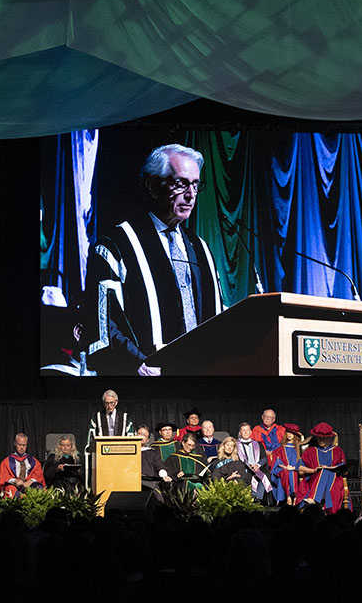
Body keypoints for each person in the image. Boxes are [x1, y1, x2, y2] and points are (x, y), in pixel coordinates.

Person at [81, 143, 224, 376]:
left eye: (196, 185)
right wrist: (137, 363)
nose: (190, 195)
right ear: (152, 185)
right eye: (181, 184)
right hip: (145, 376)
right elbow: (103, 322)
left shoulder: (201, 249)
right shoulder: (116, 245)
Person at [297, 423, 348, 513]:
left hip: (334, 480)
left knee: (326, 471)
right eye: (319, 437)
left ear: (329, 438)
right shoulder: (310, 451)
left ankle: (314, 499)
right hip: (314, 480)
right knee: (323, 471)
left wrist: (331, 468)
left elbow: (343, 467)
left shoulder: (337, 450)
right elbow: (300, 467)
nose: (321, 440)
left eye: (323, 438)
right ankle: (320, 503)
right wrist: (314, 470)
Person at [236, 421, 275, 503]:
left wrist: (258, 465)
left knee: (264, 476)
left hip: (258, 467)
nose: (246, 432)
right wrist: (247, 465)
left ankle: (258, 498)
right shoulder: (236, 445)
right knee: (248, 476)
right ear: (240, 432)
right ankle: (253, 498)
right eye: (243, 430)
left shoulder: (258, 444)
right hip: (244, 468)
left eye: (247, 430)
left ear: (251, 432)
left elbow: (264, 458)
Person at [0, 433, 46, 498]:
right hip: (14, 485)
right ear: (15, 443)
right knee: (11, 489)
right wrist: (15, 481)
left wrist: (31, 481)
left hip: (29, 484)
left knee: (39, 488)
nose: (22, 448)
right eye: (19, 445)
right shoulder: (7, 461)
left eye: (24, 445)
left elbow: (38, 475)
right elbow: (4, 476)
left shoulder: (33, 461)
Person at [269, 423, 303, 505]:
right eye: (288, 432)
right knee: (286, 472)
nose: (290, 435)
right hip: (282, 468)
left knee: (292, 472)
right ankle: (289, 496)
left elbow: (302, 461)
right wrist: (285, 467)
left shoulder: (298, 448)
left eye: (292, 433)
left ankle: (294, 496)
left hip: (295, 468)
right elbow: (277, 461)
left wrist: (294, 468)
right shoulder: (280, 448)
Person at [251, 408, 284, 492]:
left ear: (274, 419)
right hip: (262, 458)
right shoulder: (256, 430)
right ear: (262, 417)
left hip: (278, 458)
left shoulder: (280, 430)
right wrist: (263, 453)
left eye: (270, 417)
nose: (267, 418)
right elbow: (253, 446)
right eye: (266, 416)